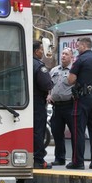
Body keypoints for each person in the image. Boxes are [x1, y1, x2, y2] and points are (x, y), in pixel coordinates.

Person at [66, 37, 92, 170]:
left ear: (83, 45)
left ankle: (78, 162)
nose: (76, 48)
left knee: (78, 130)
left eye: (78, 46)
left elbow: (70, 80)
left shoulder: (80, 60)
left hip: (83, 98)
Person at [46, 47, 74, 166]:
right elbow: (48, 84)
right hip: (56, 106)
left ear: (71, 57)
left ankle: (75, 159)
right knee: (57, 132)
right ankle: (60, 158)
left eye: (66, 54)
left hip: (70, 106)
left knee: (74, 133)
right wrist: (48, 95)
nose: (63, 56)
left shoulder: (74, 70)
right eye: (62, 54)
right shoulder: (54, 70)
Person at [33, 40, 54, 169]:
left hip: (28, 101)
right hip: (37, 102)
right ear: (36, 51)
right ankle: (39, 160)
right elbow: (47, 84)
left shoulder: (24, 62)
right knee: (38, 131)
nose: (42, 52)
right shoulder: (40, 66)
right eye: (41, 50)